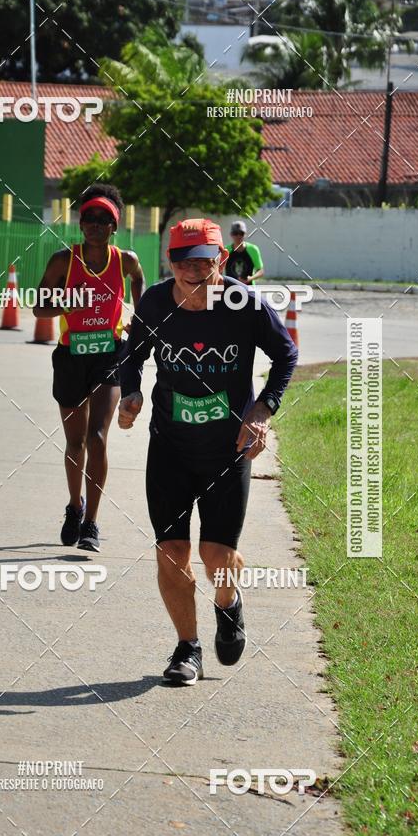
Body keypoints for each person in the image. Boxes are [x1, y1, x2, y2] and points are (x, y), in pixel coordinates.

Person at [118, 217, 297, 685]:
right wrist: (131, 391)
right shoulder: (156, 302)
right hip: (170, 447)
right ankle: (187, 648)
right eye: (184, 260)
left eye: (205, 259)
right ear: (171, 262)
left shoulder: (243, 303)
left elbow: (286, 354)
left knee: (217, 556)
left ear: (222, 258)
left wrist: (262, 409)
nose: (195, 270)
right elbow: (132, 353)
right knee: (171, 550)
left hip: (227, 450)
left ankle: (228, 602)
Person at [34, 184, 145, 553]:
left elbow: (138, 281)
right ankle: (75, 505)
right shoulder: (63, 261)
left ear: (115, 226)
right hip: (70, 357)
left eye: (104, 219)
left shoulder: (125, 260)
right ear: (81, 223)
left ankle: (92, 525)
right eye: (89, 217)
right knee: (75, 440)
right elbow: (40, 308)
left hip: (109, 355)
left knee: (98, 437)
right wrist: (70, 301)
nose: (95, 224)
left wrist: (138, 319)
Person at [225, 219, 264, 284]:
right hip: (230, 289)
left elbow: (260, 271)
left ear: (245, 234)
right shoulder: (226, 250)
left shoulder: (253, 249)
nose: (238, 236)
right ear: (231, 234)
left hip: (249, 288)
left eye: (241, 233)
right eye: (235, 233)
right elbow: (218, 269)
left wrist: (250, 278)